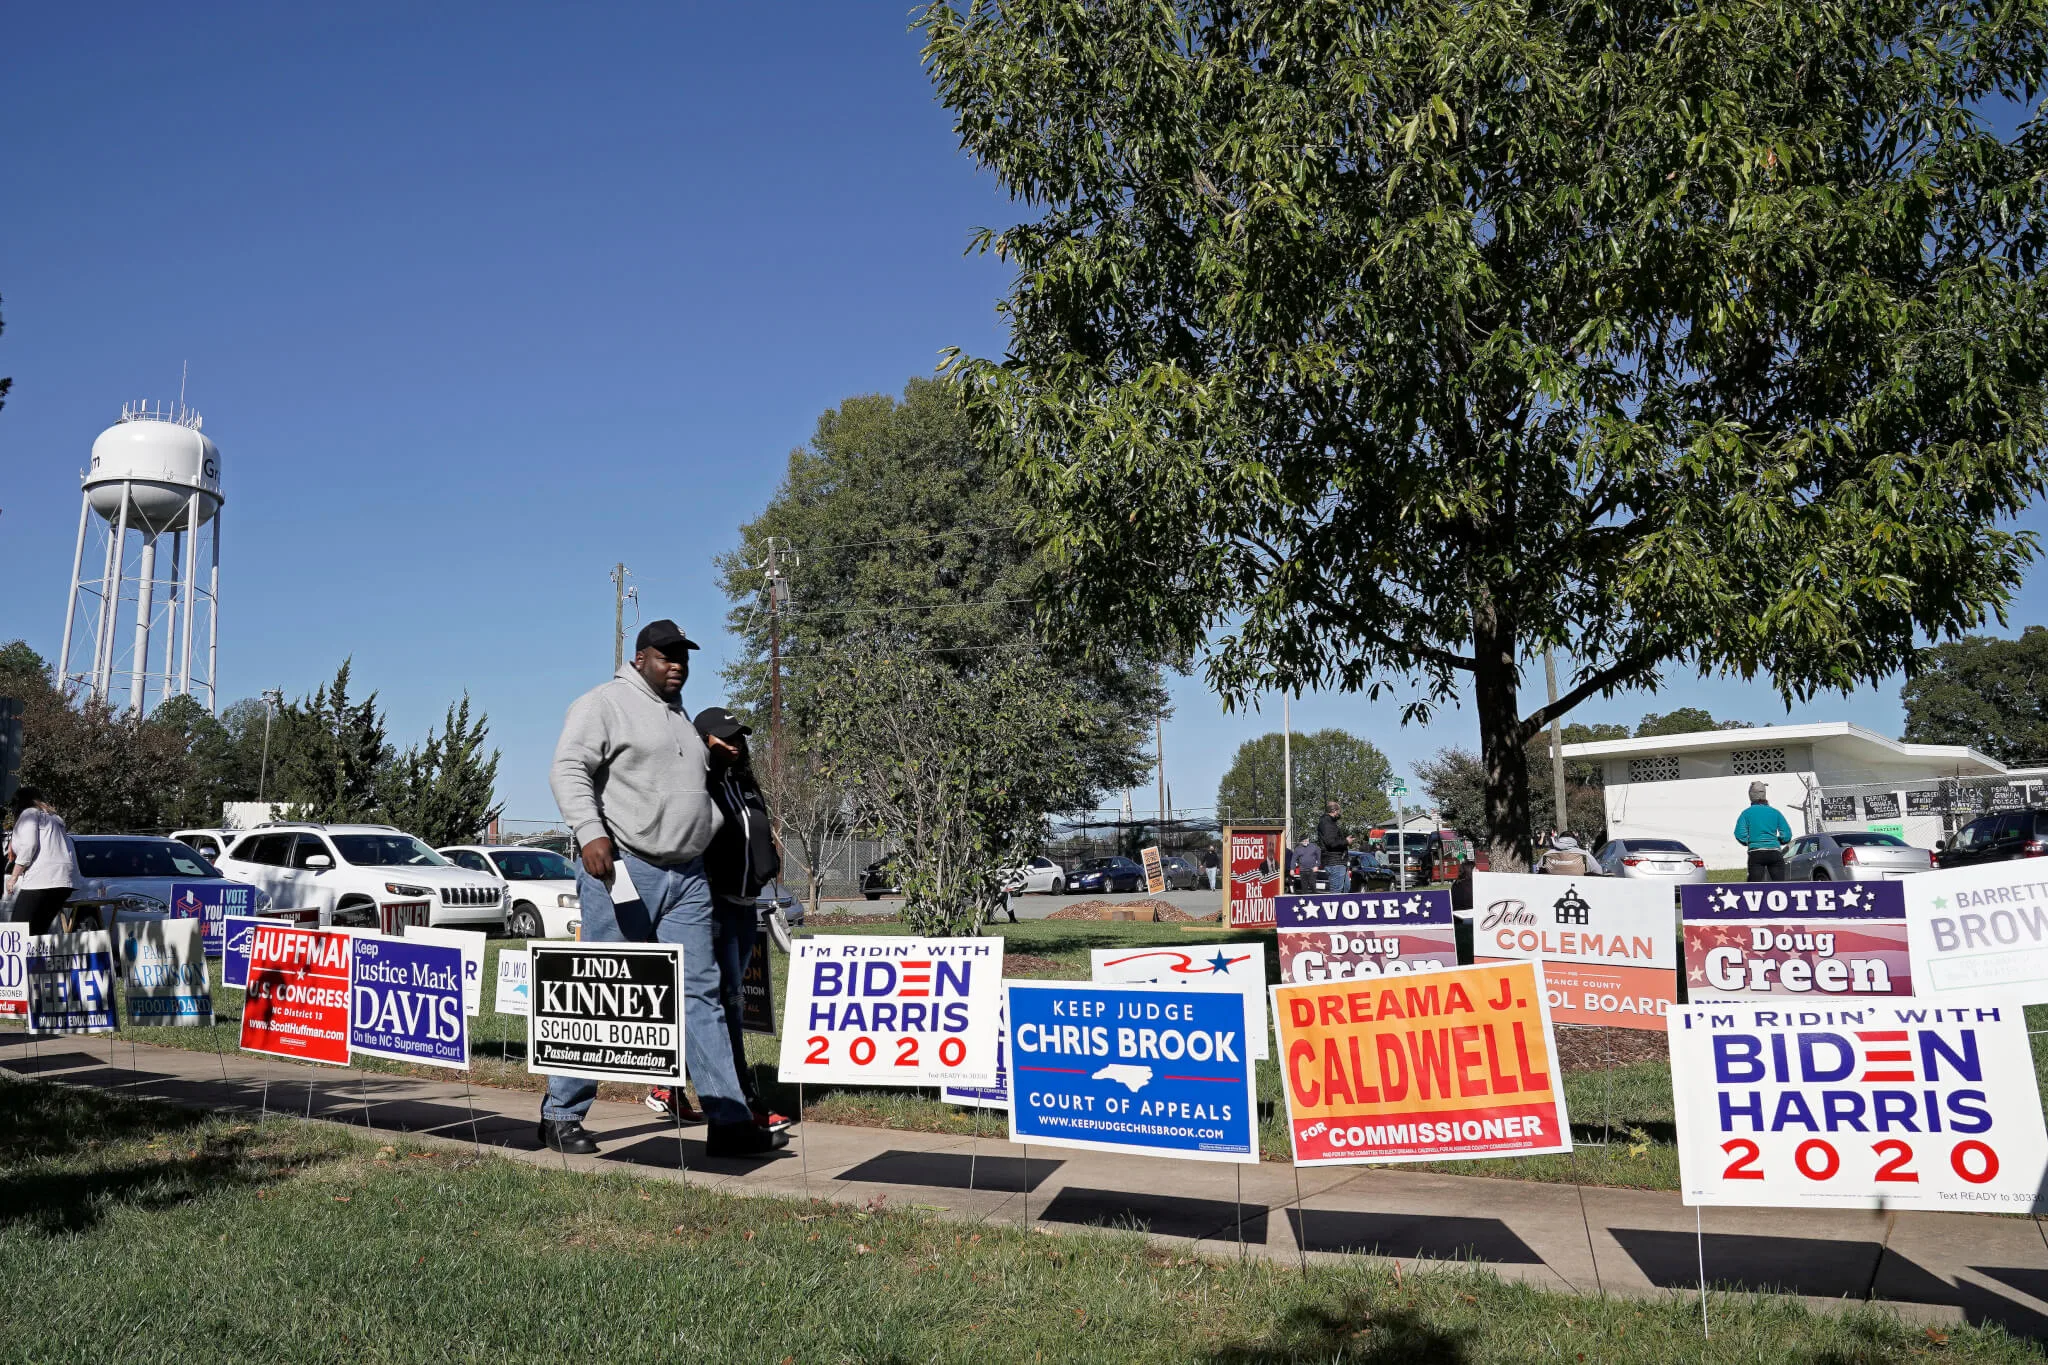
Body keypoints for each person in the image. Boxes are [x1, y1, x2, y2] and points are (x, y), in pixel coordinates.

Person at [541, 619, 785, 1158]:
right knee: (600, 993)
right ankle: (560, 1113)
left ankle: (728, 1120)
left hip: (688, 876)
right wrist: (590, 832)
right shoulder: (603, 703)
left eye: (683, 657)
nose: (677, 665)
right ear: (640, 658)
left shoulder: (679, 718)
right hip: (623, 869)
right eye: (666, 656)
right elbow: (568, 768)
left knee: (701, 993)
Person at [646, 707, 792, 1133]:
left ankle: (669, 1087)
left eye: (738, 737)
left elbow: (755, 835)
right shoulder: (698, 785)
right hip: (711, 908)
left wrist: (769, 862)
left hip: (746, 907)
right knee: (723, 1002)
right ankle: (741, 1102)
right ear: (702, 741)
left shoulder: (744, 784)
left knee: (721, 1001)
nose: (734, 744)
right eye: (723, 737)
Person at [5, 788, 77, 934]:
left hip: (41, 879)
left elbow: (29, 846)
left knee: (18, 930)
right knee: (39, 930)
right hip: (64, 881)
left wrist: (13, 877)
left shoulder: (29, 814)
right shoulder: (55, 818)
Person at [1734, 781, 1794, 882]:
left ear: (1751, 795)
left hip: (1756, 852)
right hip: (1774, 852)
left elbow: (1739, 834)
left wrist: (1750, 842)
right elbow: (1787, 835)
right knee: (1779, 885)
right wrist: (1778, 840)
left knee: (1754, 886)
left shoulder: (1746, 813)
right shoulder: (1775, 812)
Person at [1315, 799, 1351, 893]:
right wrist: (1346, 841)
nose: (1340, 813)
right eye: (1339, 811)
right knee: (1336, 892)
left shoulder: (1330, 823)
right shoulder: (1326, 823)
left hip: (1339, 861)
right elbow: (1331, 842)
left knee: (1346, 888)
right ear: (1334, 811)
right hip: (1334, 862)